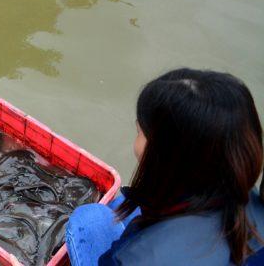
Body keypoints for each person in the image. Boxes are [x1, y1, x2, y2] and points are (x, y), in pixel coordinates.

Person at [66, 68, 264, 265]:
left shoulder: (137, 259)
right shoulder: (237, 183)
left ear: (165, 156)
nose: (136, 139)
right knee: (120, 205)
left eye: (139, 131)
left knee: (88, 219)